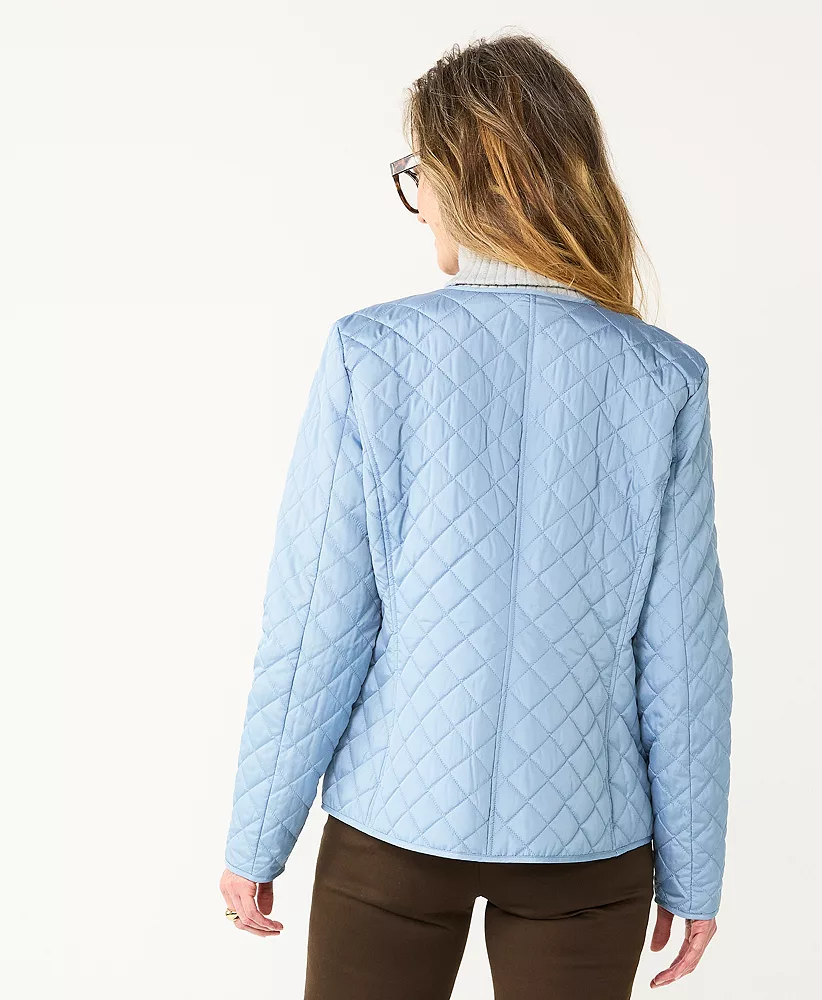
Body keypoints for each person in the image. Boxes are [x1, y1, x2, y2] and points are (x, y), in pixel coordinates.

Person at [219, 31, 734, 999]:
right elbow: (684, 652)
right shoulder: (661, 376)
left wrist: (258, 833)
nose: (419, 202)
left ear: (465, 179)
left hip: (393, 829)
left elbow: (317, 623)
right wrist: (694, 867)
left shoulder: (372, 354)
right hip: (588, 843)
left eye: (420, 173)